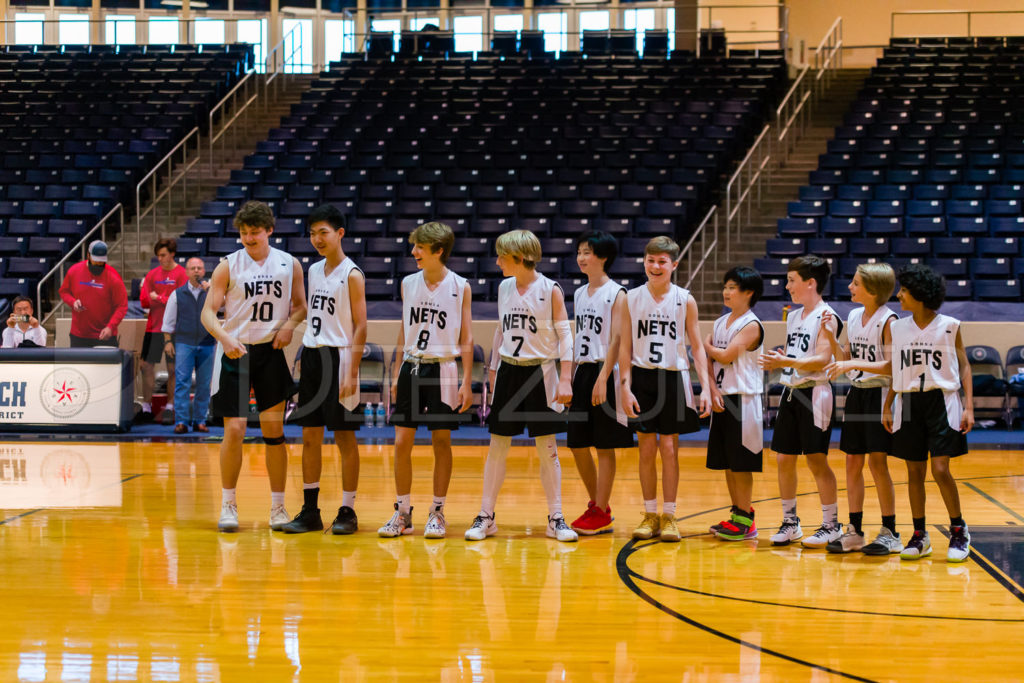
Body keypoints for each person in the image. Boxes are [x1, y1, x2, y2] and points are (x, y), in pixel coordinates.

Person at [464, 229, 577, 543]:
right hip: (509, 372)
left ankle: (556, 517)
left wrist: (566, 377)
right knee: (497, 445)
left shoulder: (550, 289)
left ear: (519, 258)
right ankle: (486, 516)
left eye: (503, 256)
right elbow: (502, 327)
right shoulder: (504, 287)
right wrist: (492, 368)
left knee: (547, 449)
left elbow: (566, 335)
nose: (498, 261)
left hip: (541, 375)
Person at [201, 201, 307, 533]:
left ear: (269, 231)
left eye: (254, 233)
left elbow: (301, 306)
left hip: (270, 352)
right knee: (234, 430)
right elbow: (208, 313)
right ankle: (228, 504)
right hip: (235, 351)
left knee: (274, 433)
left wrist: (289, 324)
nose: (248, 239)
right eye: (244, 233)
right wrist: (224, 337)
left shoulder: (289, 264)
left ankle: (278, 506)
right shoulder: (227, 266)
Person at [379, 221, 474, 539]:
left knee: (441, 442)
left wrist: (467, 382)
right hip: (411, 366)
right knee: (401, 442)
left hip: (445, 369)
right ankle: (402, 513)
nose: (414, 252)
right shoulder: (408, 283)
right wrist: (395, 372)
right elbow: (404, 329)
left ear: (439, 250)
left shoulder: (461, 286)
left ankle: (437, 511)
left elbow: (467, 338)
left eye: (420, 247)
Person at [619, 236, 712, 542]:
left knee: (670, 449)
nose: (656, 266)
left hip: (673, 377)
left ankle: (670, 515)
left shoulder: (685, 299)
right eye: (651, 260)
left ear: (674, 265)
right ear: (643, 262)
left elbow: (697, 347)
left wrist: (706, 388)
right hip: (642, 378)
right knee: (645, 448)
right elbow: (625, 346)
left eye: (662, 261)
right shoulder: (630, 298)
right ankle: (649, 515)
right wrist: (624, 386)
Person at [281, 205, 367, 535]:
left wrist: (353, 371)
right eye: (313, 233)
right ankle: (310, 510)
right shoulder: (313, 270)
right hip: (315, 357)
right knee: (310, 436)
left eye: (324, 232)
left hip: (342, 357)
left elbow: (361, 326)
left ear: (340, 233)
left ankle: (348, 509)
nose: (317, 239)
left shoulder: (353, 273)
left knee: (345, 436)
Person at [884, 264, 973, 562]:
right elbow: (897, 368)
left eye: (904, 291)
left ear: (920, 296)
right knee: (913, 471)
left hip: (942, 402)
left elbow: (964, 366)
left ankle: (959, 530)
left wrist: (969, 406)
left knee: (940, 469)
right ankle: (920, 535)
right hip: (909, 401)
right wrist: (888, 403)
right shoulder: (897, 327)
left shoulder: (950, 325)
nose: (899, 295)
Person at [758, 255, 842, 549]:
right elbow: (797, 354)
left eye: (792, 280)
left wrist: (784, 360)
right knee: (783, 458)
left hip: (815, 392)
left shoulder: (828, 316)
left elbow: (821, 359)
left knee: (817, 460)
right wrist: (780, 361)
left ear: (811, 282)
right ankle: (790, 522)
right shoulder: (794, 315)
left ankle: (831, 524)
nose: (787, 285)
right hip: (791, 391)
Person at [822, 264, 902, 555]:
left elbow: (892, 366)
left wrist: (890, 403)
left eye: (855, 284)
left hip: (881, 394)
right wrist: (830, 335)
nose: (850, 288)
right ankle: (854, 531)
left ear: (872, 290)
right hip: (858, 393)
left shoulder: (889, 320)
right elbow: (844, 357)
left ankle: (890, 531)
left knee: (877, 464)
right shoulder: (854, 316)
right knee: (853, 462)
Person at [567, 231, 633, 536]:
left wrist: (603, 378)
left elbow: (618, 339)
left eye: (587, 252)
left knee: (605, 446)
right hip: (582, 371)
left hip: (604, 372)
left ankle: (601, 509)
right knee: (578, 444)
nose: (581, 257)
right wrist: (570, 379)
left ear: (603, 257)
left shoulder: (618, 293)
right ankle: (599, 505)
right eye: (579, 251)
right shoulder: (580, 293)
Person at [704, 266, 764, 541]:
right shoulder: (720, 322)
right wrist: (712, 388)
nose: (726, 292)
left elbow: (725, 356)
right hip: (723, 396)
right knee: (727, 462)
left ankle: (747, 520)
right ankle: (737, 515)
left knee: (741, 463)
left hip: (744, 398)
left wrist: (705, 347)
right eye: (725, 286)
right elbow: (709, 360)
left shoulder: (751, 325)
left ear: (748, 293)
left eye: (733, 287)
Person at [161, 257, 215, 434]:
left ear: (204, 271)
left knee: (204, 384)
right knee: (182, 383)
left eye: (199, 268)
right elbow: (168, 322)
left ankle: (200, 420)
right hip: (184, 343)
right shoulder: (177, 294)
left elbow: (224, 309)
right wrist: (168, 342)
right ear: (186, 272)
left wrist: (212, 292)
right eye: (193, 268)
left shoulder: (212, 292)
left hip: (207, 343)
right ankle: (182, 421)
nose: (197, 271)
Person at [139, 239, 188, 423]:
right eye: (158, 255)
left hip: (174, 330)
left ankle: (170, 407)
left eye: (163, 255)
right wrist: (166, 298)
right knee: (146, 366)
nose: (160, 259)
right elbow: (144, 301)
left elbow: (181, 302)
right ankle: (146, 406)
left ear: (172, 254)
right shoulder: (152, 275)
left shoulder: (181, 274)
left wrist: (158, 297)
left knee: (173, 369)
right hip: (153, 328)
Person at [58, 240, 127, 348]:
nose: (98, 265)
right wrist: (73, 302)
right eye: (95, 262)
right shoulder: (74, 271)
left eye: (101, 262)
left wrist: (111, 326)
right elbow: (64, 292)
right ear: (88, 255)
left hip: (104, 335)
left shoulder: (113, 277)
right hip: (79, 335)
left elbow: (122, 306)